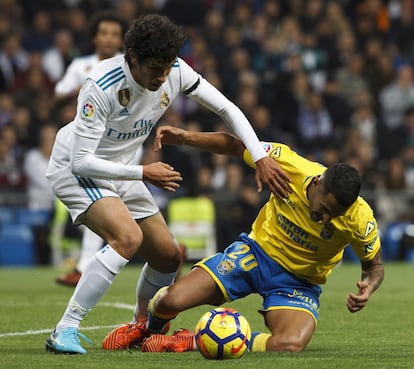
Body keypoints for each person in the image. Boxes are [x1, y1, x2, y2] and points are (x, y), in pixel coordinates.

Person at [45, 14, 291, 355]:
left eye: (167, 68)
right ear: (132, 57)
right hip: (77, 170)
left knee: (167, 256)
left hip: (123, 168)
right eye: (155, 69)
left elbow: (227, 108)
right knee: (127, 237)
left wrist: (259, 155)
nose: (163, 78)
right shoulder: (100, 85)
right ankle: (65, 328)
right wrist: (144, 172)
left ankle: (142, 327)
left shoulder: (175, 70)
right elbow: (80, 160)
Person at [123, 124, 384, 353]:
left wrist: (369, 287)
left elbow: (374, 267)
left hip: (298, 282)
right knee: (169, 302)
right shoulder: (289, 165)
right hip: (254, 255)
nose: (326, 219)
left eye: (334, 215)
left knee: (290, 344)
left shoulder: (360, 219)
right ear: (316, 183)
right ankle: (147, 329)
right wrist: (184, 137)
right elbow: (237, 146)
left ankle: (190, 341)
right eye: (324, 210)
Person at [52, 11, 127, 286]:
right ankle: (167, 253)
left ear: (122, 40)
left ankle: (84, 267)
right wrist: (77, 93)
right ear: (95, 37)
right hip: (87, 144)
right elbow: (55, 100)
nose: (109, 38)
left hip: (121, 145)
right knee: (109, 204)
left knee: (105, 201)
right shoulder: (80, 67)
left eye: (115, 33)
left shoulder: (128, 68)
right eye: (104, 32)